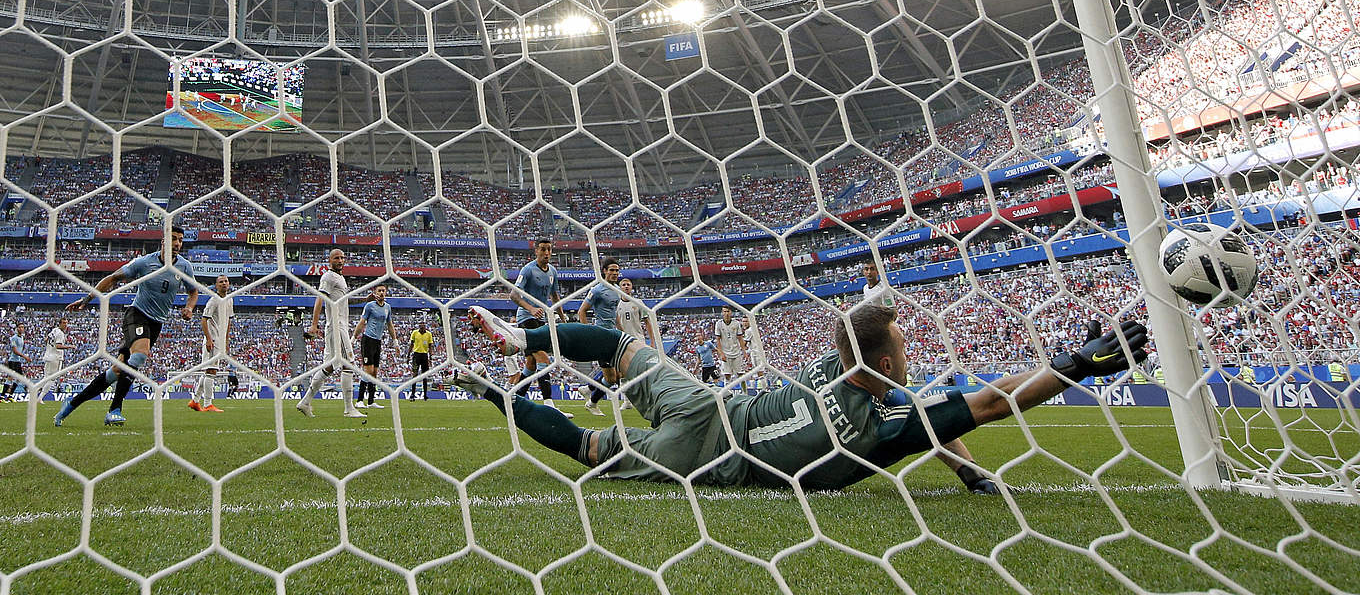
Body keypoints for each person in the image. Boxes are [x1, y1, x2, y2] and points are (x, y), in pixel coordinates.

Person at [456, 305, 1147, 491]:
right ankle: (495, 391)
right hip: (705, 457)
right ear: (882, 362)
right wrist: (1078, 365)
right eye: (903, 349)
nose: (910, 356)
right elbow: (988, 405)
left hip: (711, 404)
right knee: (584, 447)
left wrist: (965, 467)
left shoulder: (832, 362)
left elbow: (937, 423)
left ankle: (519, 341)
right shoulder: (883, 424)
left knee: (611, 343)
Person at [55, 226, 199, 426]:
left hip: (156, 323)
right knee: (140, 355)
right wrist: (87, 299)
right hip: (137, 315)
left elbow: (193, 292)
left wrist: (189, 308)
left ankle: (70, 404)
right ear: (163, 241)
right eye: (173, 239)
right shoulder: (144, 263)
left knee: (116, 372)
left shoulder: (184, 267)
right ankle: (114, 409)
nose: (177, 243)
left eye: (180, 240)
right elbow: (112, 278)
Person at [296, 248, 363, 418]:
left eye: (342, 258)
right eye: (336, 258)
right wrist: (313, 324)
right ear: (330, 260)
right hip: (336, 326)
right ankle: (349, 409)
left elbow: (345, 300)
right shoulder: (328, 277)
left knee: (330, 366)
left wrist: (365, 300)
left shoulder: (340, 278)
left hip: (338, 326)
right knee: (349, 363)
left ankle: (305, 402)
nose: (340, 260)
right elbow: (320, 298)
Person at [509, 237, 571, 417]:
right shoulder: (527, 270)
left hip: (541, 320)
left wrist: (562, 318)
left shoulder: (552, 271)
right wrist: (531, 307)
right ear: (535, 251)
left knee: (531, 364)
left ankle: (514, 399)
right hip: (526, 319)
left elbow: (554, 296)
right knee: (544, 360)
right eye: (543, 249)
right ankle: (549, 404)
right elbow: (513, 294)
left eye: (549, 249)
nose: (546, 253)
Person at [576, 257, 622, 416]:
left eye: (617, 270)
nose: (615, 273)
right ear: (604, 271)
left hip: (614, 335)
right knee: (611, 378)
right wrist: (587, 332)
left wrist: (621, 331)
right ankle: (592, 402)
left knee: (617, 375)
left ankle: (588, 389)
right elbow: (582, 311)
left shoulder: (617, 290)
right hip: (601, 336)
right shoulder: (597, 289)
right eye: (612, 270)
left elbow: (614, 314)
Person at [191, 274, 233, 413]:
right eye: (221, 282)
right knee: (211, 371)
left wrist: (226, 340)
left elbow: (228, 321)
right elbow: (204, 320)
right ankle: (208, 404)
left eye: (226, 281)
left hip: (220, 341)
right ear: (216, 286)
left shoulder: (229, 300)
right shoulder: (213, 301)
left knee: (209, 371)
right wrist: (209, 339)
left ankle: (195, 401)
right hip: (213, 340)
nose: (224, 283)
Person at [352, 285, 397, 409]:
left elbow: (390, 325)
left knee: (375, 373)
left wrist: (395, 341)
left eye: (383, 290)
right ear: (375, 293)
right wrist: (354, 338)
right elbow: (362, 322)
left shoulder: (388, 307)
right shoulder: (370, 306)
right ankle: (359, 400)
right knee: (368, 370)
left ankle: (371, 401)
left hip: (378, 341)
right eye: (379, 291)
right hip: (368, 340)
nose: (382, 293)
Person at [38, 318, 74, 402]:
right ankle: (40, 396)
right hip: (55, 358)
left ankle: (35, 392)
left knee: (46, 377)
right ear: (60, 324)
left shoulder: (54, 330)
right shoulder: (60, 333)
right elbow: (58, 346)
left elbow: (46, 339)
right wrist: (70, 346)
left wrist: (49, 347)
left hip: (48, 356)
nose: (65, 325)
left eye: (66, 323)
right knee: (52, 379)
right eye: (64, 323)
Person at [713, 306, 745, 389]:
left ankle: (745, 393)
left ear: (731, 312)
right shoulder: (719, 324)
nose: (726, 313)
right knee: (727, 375)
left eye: (728, 311)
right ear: (722, 313)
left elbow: (740, 338)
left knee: (741, 374)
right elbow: (718, 340)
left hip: (736, 351)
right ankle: (727, 393)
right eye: (724, 311)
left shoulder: (736, 323)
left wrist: (744, 351)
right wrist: (721, 353)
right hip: (726, 353)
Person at [3, 323, 30, 402]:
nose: (22, 328)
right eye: (20, 327)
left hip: (18, 361)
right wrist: (24, 356)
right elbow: (14, 351)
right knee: (10, 377)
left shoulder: (21, 337)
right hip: (13, 360)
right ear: (17, 328)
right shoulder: (14, 338)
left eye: (23, 327)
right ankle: (2, 396)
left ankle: (10, 395)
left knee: (19, 378)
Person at [409, 321, 435, 401]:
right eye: (420, 325)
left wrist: (430, 357)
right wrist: (408, 355)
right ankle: (412, 394)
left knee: (424, 376)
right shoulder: (415, 333)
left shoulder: (428, 334)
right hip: (416, 355)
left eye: (423, 325)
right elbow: (411, 344)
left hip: (424, 355)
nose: (422, 327)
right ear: (419, 326)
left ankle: (425, 395)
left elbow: (430, 346)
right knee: (415, 375)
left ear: (425, 326)